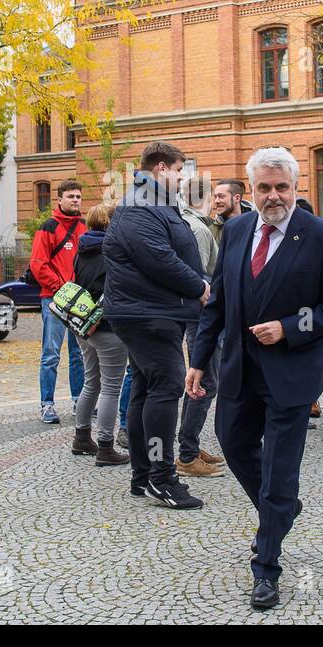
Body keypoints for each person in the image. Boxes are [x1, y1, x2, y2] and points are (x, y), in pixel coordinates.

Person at [188, 147, 323, 610]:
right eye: (264, 187)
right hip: (239, 370)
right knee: (233, 443)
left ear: (296, 188)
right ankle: (280, 510)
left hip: (291, 376)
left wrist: (289, 327)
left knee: (279, 471)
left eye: (282, 187)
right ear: (252, 190)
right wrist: (200, 358)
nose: (273, 196)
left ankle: (267, 565)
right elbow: (217, 301)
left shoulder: (320, 236)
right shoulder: (237, 229)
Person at [104, 141, 210, 509]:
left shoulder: (152, 202)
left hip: (152, 310)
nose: (184, 178)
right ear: (162, 168)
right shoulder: (141, 204)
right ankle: (162, 478)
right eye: (181, 171)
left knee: (146, 389)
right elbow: (158, 258)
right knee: (165, 386)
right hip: (147, 313)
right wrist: (199, 286)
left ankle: (143, 475)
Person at [68, 203, 130, 466]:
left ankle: (82, 437)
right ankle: (105, 447)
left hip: (83, 325)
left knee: (91, 382)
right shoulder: (113, 251)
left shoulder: (82, 249)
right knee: (112, 387)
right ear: (110, 223)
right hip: (108, 327)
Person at [176, 177, 226, 479]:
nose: (217, 203)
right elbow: (200, 279)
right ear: (203, 199)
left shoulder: (192, 225)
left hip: (200, 316)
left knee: (203, 381)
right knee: (204, 382)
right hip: (203, 317)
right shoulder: (197, 229)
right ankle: (187, 453)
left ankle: (189, 446)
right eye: (214, 197)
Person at [30, 180, 86, 424]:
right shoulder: (48, 227)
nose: (75, 200)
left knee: (79, 354)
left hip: (79, 301)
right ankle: (47, 404)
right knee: (51, 353)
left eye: (78, 197)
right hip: (53, 299)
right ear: (60, 200)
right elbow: (38, 264)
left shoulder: (84, 226)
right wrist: (61, 288)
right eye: (71, 196)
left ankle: (78, 402)